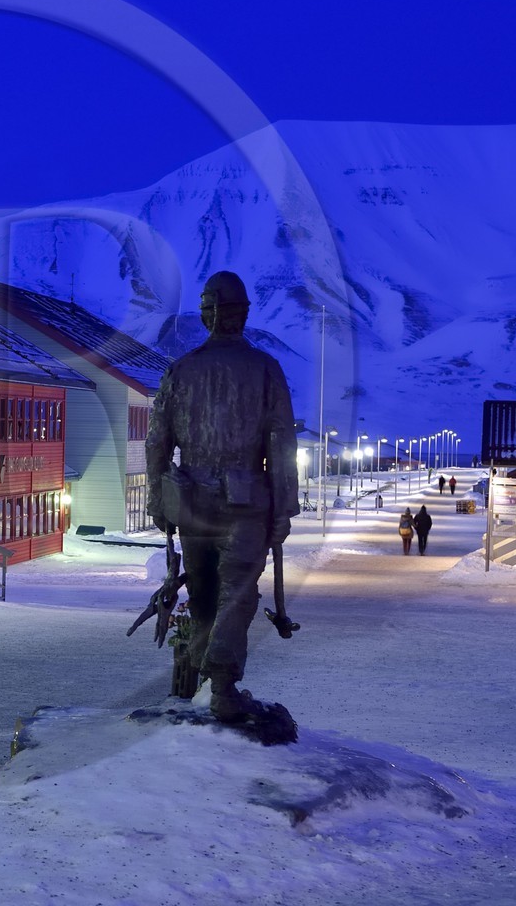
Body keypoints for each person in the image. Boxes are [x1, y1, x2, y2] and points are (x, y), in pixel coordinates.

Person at [146, 271, 299, 721]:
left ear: (206, 315)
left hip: (193, 505)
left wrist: (159, 500)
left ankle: (207, 680)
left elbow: (157, 442)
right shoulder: (265, 370)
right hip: (245, 506)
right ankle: (223, 683)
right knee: (237, 594)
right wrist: (284, 508)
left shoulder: (181, 370)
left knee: (206, 595)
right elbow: (281, 444)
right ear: (244, 315)